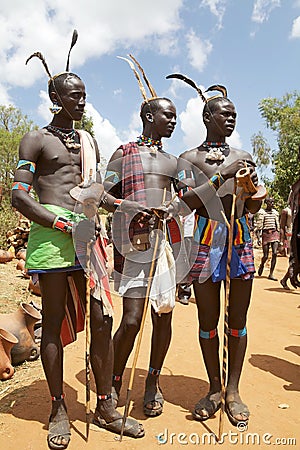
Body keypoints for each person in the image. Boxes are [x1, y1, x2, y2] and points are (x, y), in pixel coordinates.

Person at [11, 33, 146, 449]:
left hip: (91, 236)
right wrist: (66, 226)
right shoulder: (35, 139)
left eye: (85, 94)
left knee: (103, 319)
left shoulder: (88, 140)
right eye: (74, 95)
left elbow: (94, 192)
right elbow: (18, 196)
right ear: (56, 97)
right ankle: (57, 407)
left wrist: (126, 206)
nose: (82, 101)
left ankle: (105, 405)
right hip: (54, 236)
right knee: (51, 322)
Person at [172, 75, 263, 426]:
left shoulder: (244, 156)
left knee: (237, 321)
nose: (231, 119)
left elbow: (252, 206)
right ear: (207, 117)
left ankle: (234, 391)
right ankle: (213, 387)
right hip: (205, 238)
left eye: (235, 115)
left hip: (238, 237)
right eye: (225, 114)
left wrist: (250, 189)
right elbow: (184, 204)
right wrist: (221, 175)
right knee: (207, 320)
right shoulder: (188, 158)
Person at [104, 55, 181, 418]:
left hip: (163, 245)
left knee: (163, 316)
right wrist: (128, 205)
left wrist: (173, 209)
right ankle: (115, 380)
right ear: (149, 116)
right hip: (133, 246)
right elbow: (100, 196)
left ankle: (152, 381)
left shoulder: (174, 162)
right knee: (132, 320)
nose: (175, 120)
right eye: (169, 114)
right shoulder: (123, 153)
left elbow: (188, 199)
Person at [257, 197, 280, 281]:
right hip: (266, 234)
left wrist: (279, 236)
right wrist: (259, 238)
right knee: (266, 255)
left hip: (274, 234)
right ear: (267, 203)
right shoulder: (262, 213)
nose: (272, 204)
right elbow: (259, 227)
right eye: (270, 202)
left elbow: (278, 226)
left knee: (274, 253)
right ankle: (262, 264)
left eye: (273, 202)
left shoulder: (275, 213)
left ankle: (271, 274)